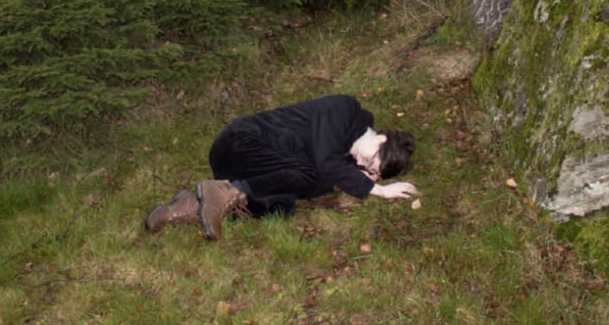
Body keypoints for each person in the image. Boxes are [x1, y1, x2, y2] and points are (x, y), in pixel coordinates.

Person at [144, 93, 417, 239]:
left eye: (369, 171)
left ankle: (187, 206)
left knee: (281, 207)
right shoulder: (346, 110)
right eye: (370, 161)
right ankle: (222, 193)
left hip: (251, 168)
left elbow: (317, 178)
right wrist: (378, 190)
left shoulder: (344, 159)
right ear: (380, 138)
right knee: (314, 174)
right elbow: (324, 165)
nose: (361, 164)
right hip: (239, 144)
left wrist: (351, 177)